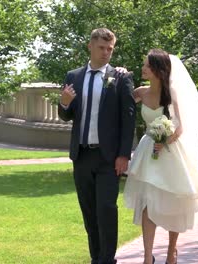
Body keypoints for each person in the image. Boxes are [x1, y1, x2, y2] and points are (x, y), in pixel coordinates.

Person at [123, 49, 198, 264]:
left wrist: (164, 140)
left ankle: (171, 251)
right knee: (147, 203)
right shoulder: (140, 92)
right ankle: (148, 257)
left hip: (170, 150)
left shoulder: (171, 94)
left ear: (157, 69)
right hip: (148, 152)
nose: (143, 68)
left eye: (146, 65)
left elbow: (180, 127)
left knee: (175, 200)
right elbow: (121, 105)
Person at [58, 28, 136, 264]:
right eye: (101, 48)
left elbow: (129, 117)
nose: (106, 53)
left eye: (110, 49)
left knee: (106, 209)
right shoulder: (73, 76)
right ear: (90, 46)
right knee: (89, 212)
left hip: (108, 158)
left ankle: (107, 259)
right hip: (81, 155)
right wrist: (64, 103)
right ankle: (96, 258)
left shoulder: (121, 77)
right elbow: (66, 116)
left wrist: (124, 154)